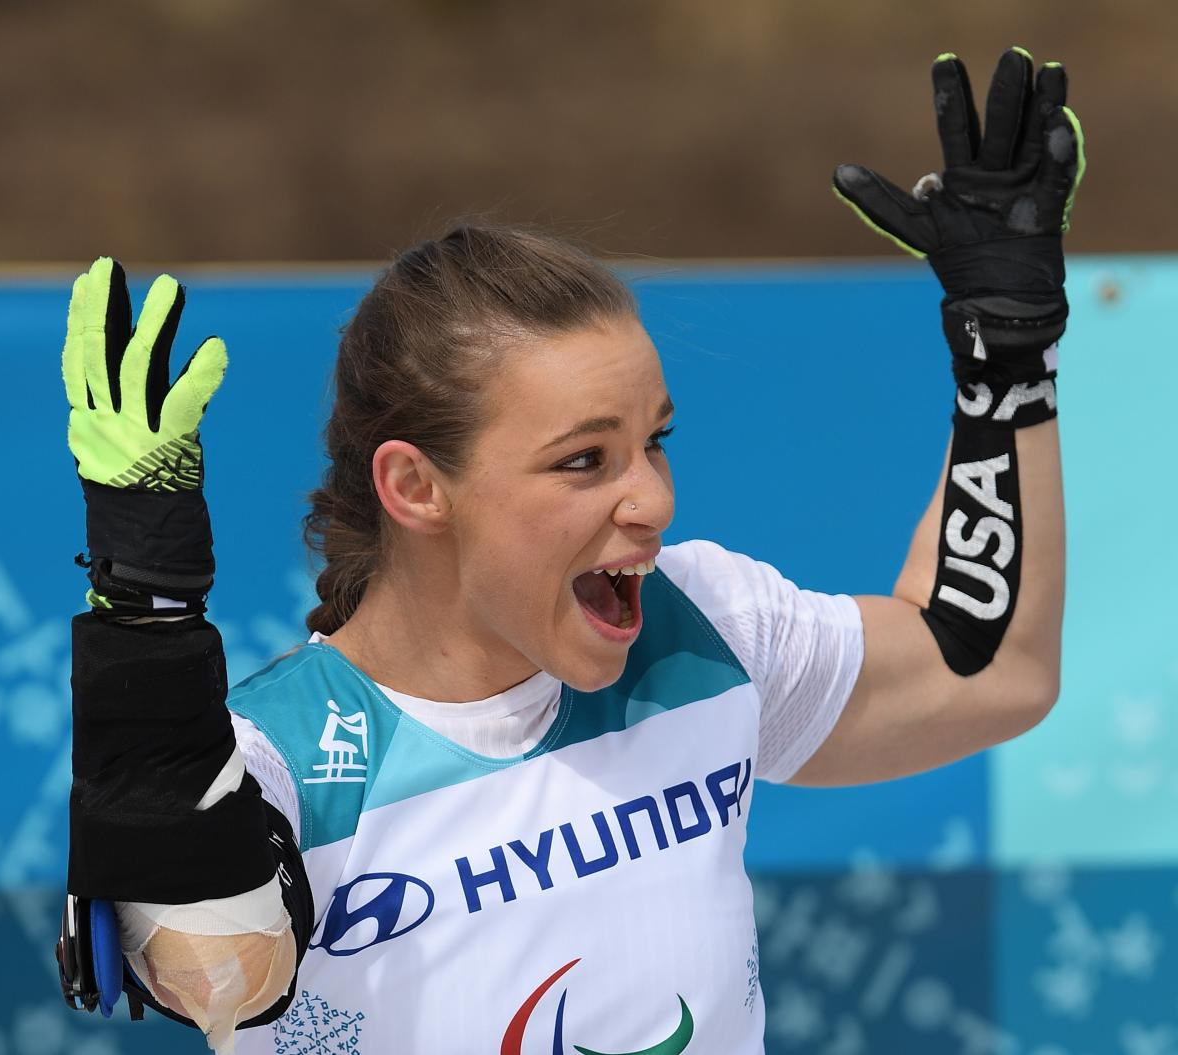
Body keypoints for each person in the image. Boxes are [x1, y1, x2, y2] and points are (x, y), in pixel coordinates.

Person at [60, 48, 1083, 1054]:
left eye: (654, 442)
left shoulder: (700, 627)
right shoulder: (276, 761)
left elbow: (985, 665)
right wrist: (146, 616)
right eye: (584, 460)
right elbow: (214, 973)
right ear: (415, 486)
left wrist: (1005, 358)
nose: (653, 499)